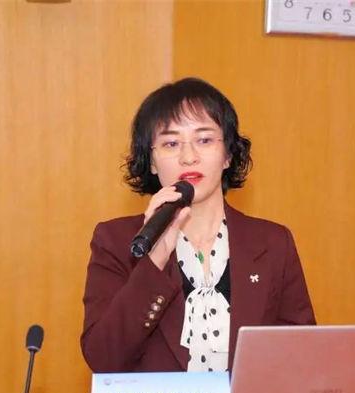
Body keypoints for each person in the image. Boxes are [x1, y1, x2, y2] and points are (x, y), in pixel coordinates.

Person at [81, 77, 315, 374]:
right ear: (151, 162)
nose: (188, 157)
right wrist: (155, 259)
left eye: (204, 140)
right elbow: (104, 359)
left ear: (228, 154)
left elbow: (302, 358)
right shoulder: (117, 241)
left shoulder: (273, 242)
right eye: (171, 143)